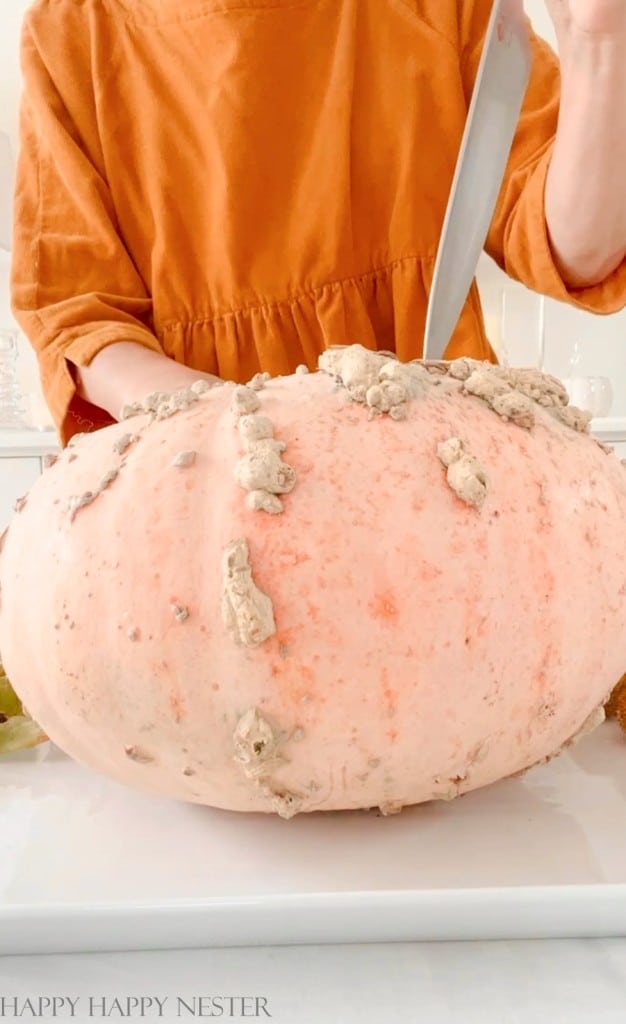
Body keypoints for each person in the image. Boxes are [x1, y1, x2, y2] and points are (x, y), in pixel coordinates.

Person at [9, 0, 626, 445]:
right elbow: (82, 322)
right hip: (198, 481)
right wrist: (257, 432)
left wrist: (602, 48)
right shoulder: (72, 35)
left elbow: (576, 250)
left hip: (433, 479)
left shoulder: (441, 10)